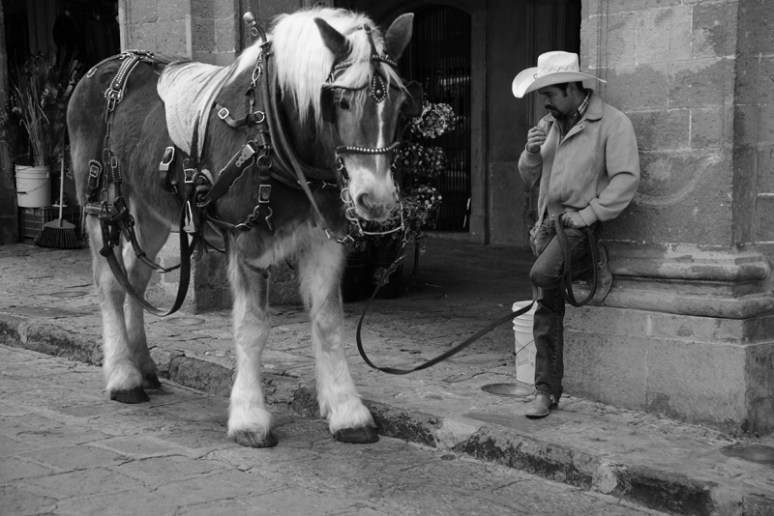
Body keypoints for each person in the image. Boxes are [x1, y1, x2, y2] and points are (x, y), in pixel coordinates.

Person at [512, 51, 640, 418]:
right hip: (547, 227)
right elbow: (529, 178)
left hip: (578, 226)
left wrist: (589, 215)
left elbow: (626, 179)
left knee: (541, 275)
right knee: (547, 310)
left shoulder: (612, 123)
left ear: (571, 88)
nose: (546, 103)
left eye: (550, 94)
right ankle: (545, 392)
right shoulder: (550, 124)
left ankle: (588, 265)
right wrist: (530, 151)